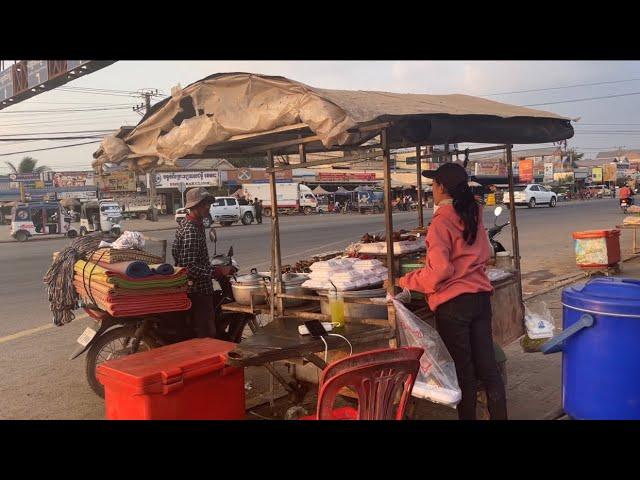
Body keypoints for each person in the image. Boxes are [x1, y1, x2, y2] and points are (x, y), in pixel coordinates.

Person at [392, 162, 507, 420]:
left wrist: (405, 280)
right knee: (488, 370)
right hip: (480, 299)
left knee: (464, 373)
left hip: (454, 306)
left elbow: (440, 272)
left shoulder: (441, 222)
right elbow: (486, 253)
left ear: (442, 187)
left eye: (433, 184)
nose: (431, 188)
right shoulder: (474, 213)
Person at [172, 187, 235, 339]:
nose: (207, 207)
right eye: (203, 204)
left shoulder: (195, 225)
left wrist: (213, 267)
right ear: (193, 207)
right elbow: (189, 268)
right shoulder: (191, 230)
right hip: (197, 290)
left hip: (199, 287)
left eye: (208, 203)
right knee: (207, 333)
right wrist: (218, 272)